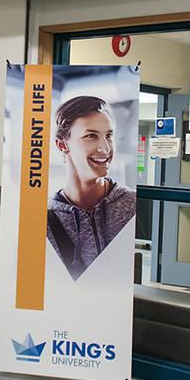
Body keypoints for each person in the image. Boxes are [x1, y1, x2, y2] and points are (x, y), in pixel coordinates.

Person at [47, 95, 135, 281]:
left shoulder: (133, 205)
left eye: (109, 136)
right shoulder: (42, 220)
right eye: (91, 136)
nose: (105, 148)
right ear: (63, 145)